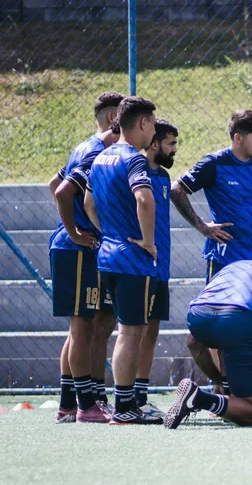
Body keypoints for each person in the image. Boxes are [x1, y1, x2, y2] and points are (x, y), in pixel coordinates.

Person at [170, 110, 252, 410]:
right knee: (221, 329)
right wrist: (202, 226)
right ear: (238, 138)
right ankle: (223, 390)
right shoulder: (215, 164)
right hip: (224, 261)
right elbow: (177, 190)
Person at [83, 96, 162, 424]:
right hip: (131, 259)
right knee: (131, 332)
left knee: (119, 330)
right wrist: (147, 241)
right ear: (142, 123)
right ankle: (126, 406)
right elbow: (144, 199)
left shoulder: (101, 158)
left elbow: (88, 203)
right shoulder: (134, 159)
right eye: (153, 124)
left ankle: (122, 404)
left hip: (107, 256)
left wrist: (109, 233)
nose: (154, 131)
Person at [48, 91, 123, 423]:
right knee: (82, 326)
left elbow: (55, 181)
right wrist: (76, 230)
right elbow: (63, 191)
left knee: (98, 324)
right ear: (114, 119)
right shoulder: (95, 152)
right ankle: (85, 404)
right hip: (77, 249)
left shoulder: (90, 147)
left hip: (90, 248)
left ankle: (73, 403)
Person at [163, 261, 252, 428]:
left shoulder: (231, 268)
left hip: (198, 316)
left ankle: (225, 398)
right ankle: (199, 398)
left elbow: (192, 342)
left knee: (226, 340)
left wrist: (217, 380)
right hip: (239, 319)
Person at [134, 119, 179, 418]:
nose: (175, 149)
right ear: (154, 143)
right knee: (130, 331)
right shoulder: (133, 170)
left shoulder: (162, 176)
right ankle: (109, 397)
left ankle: (140, 394)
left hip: (160, 267)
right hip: (136, 265)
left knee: (151, 331)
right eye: (171, 143)